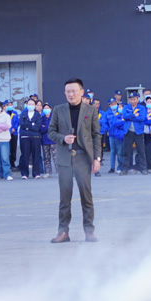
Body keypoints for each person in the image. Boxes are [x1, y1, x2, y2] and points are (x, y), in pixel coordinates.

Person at [47, 78, 102, 243]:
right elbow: (51, 132)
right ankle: (63, 232)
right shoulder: (58, 110)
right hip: (65, 159)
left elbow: (96, 136)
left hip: (83, 159)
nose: (71, 94)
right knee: (65, 198)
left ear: (81, 92)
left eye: (74, 91)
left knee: (86, 197)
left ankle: (89, 231)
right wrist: (64, 138)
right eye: (68, 92)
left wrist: (97, 158)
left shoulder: (91, 110)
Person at [120, 91, 148, 175]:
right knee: (126, 151)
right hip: (128, 132)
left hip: (138, 132)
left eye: (134, 99)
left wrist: (131, 117)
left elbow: (142, 118)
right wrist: (134, 115)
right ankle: (125, 169)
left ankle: (143, 168)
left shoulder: (142, 108)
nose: (132, 101)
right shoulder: (126, 107)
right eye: (131, 99)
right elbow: (124, 116)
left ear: (137, 99)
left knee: (141, 151)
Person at [18, 99, 45, 179]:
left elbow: (37, 127)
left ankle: (36, 173)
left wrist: (28, 126)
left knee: (36, 155)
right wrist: (32, 125)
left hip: (35, 137)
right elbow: (22, 124)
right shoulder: (23, 113)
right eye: (29, 104)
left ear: (35, 105)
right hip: (25, 137)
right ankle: (24, 174)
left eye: (32, 104)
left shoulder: (37, 115)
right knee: (25, 155)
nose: (30, 105)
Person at [103, 99, 124, 173]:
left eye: (115, 103)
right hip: (111, 135)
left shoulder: (120, 112)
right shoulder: (107, 113)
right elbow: (104, 123)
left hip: (119, 135)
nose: (113, 105)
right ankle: (112, 167)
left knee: (120, 152)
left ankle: (120, 167)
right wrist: (108, 130)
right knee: (113, 151)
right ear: (109, 105)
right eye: (111, 104)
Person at [40, 102, 56, 178]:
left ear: (51, 109)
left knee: (56, 157)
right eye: (45, 108)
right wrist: (48, 127)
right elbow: (41, 129)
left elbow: (55, 128)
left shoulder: (54, 118)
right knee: (46, 158)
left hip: (53, 140)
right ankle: (47, 172)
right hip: (45, 140)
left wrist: (45, 127)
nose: (46, 110)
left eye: (47, 108)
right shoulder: (41, 118)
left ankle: (59, 172)